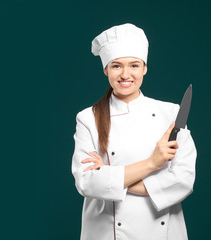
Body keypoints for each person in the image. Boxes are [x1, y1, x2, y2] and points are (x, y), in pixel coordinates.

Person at [71, 23, 197, 240]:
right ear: (106, 70)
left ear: (145, 68)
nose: (125, 74)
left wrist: (112, 178)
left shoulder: (171, 114)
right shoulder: (88, 118)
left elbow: (182, 180)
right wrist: (152, 163)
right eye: (116, 66)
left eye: (134, 66)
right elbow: (87, 182)